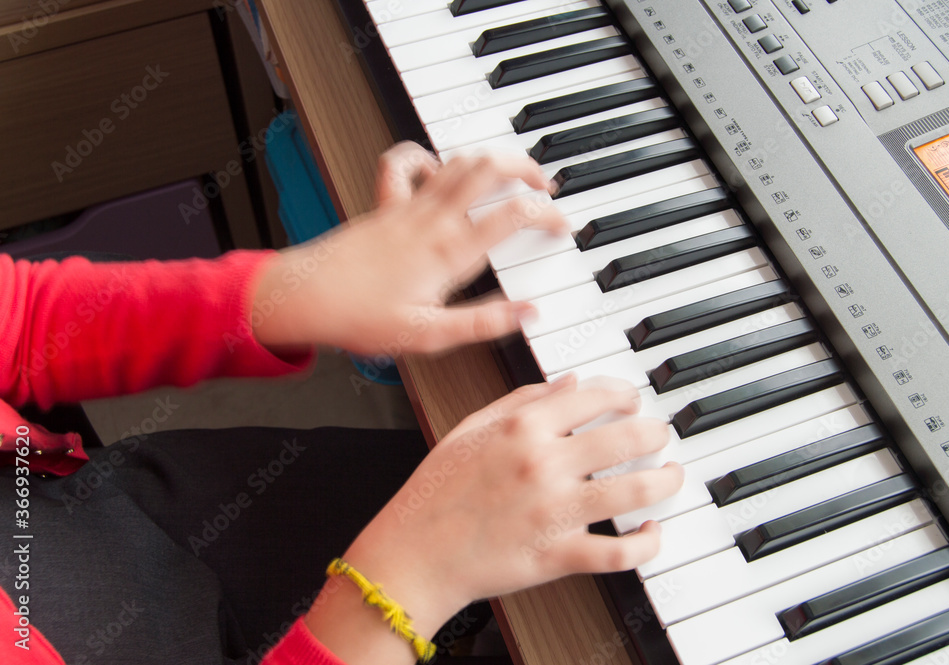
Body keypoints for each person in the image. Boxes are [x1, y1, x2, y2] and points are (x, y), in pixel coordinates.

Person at [0, 143, 684, 664]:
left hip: (79, 523)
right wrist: (404, 581)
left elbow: (20, 317)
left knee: (547, 495)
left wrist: (290, 289)